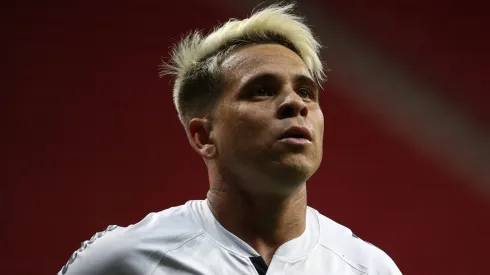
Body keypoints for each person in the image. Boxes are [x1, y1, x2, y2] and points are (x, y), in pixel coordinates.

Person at [58, 3, 402, 275]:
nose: (295, 103)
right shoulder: (127, 261)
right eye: (262, 90)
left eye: (306, 92)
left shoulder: (369, 268)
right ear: (203, 135)